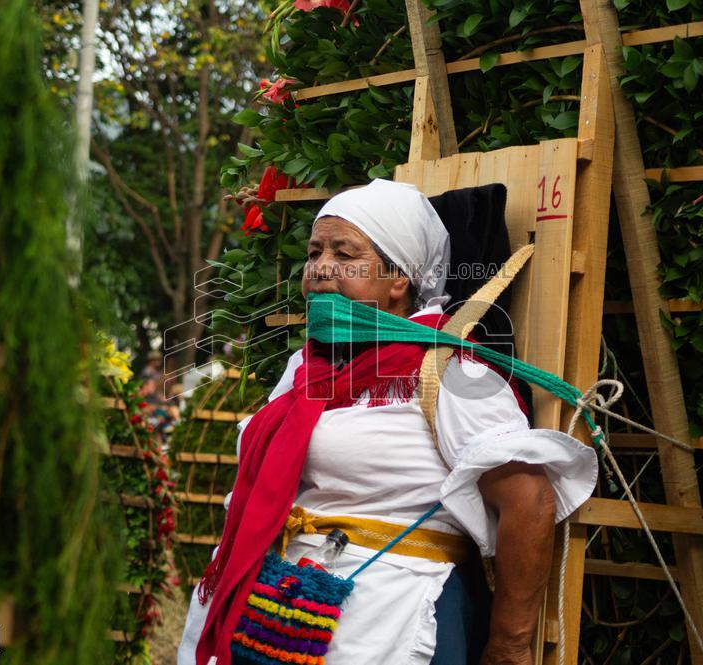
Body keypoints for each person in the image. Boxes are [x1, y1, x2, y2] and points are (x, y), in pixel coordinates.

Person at [177, 179, 597, 665]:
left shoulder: (449, 370)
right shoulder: (306, 367)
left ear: (400, 279)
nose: (320, 268)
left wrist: (509, 644)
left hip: (386, 621)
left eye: (344, 253)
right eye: (314, 253)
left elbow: (530, 499)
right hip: (274, 608)